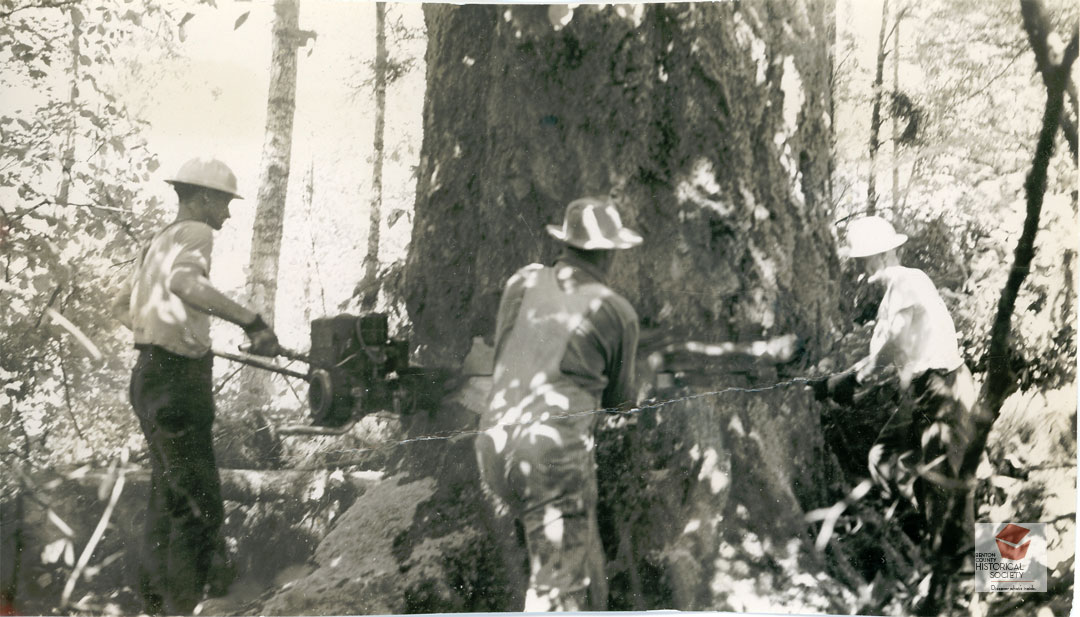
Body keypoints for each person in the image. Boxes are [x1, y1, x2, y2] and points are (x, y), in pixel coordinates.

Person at [111, 157, 282, 615]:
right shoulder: (196, 233)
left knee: (167, 498)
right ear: (203, 198)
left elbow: (121, 305)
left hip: (147, 375)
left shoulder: (158, 241)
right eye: (224, 204)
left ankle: (153, 605)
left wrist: (172, 336)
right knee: (202, 506)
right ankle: (180, 610)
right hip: (175, 382)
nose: (226, 215)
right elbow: (186, 283)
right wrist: (253, 322)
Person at [475, 196, 642, 612]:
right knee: (558, 590)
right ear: (608, 254)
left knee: (573, 554)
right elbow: (621, 404)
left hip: (493, 445)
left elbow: (505, 360)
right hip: (551, 455)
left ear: (566, 245)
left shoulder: (522, 282)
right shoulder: (617, 311)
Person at [814, 215, 977, 608]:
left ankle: (985, 583)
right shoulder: (891, 298)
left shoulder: (908, 279)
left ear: (889, 253)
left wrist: (848, 382)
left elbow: (894, 347)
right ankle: (938, 554)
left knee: (949, 489)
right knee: (884, 459)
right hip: (922, 394)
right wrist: (842, 384)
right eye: (860, 261)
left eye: (870, 258)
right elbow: (883, 358)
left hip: (946, 390)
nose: (864, 268)